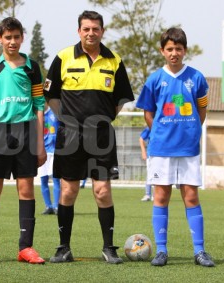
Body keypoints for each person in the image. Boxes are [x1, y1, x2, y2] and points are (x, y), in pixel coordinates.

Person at [43, 10, 134, 264]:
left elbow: (121, 100)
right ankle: (63, 247)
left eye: (95, 29)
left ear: (102, 31)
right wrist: (67, 121)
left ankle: (109, 248)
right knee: (68, 191)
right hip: (69, 135)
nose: (91, 33)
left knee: (103, 191)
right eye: (86, 29)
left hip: (102, 136)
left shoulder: (114, 60)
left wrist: (102, 121)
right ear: (79, 31)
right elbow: (50, 95)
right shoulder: (63, 57)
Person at [136, 27, 214, 267]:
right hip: (161, 149)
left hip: (188, 149)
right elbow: (148, 113)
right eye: (169, 49)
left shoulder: (197, 78)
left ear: (185, 50)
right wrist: (161, 132)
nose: (174, 53)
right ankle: (161, 251)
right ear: (162, 51)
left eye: (178, 49)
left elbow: (202, 108)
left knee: (191, 196)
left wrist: (191, 130)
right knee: (161, 195)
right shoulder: (155, 79)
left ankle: (199, 251)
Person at [0, 17, 47, 264]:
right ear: (0, 39)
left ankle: (26, 247)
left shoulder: (33, 68)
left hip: (25, 132)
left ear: (22, 38)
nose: (12, 41)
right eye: (8, 37)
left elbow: (39, 106)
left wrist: (40, 144)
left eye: (16, 37)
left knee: (26, 189)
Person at [39, 104, 61, 215]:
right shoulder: (36, 115)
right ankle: (48, 206)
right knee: (43, 180)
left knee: (56, 178)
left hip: (54, 151)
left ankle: (56, 206)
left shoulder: (55, 114)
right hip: (42, 152)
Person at [139, 127, 153, 201]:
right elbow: (141, 139)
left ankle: (155, 195)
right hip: (151, 154)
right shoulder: (150, 127)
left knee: (160, 175)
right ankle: (148, 194)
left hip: (163, 154)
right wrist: (143, 151)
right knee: (150, 174)